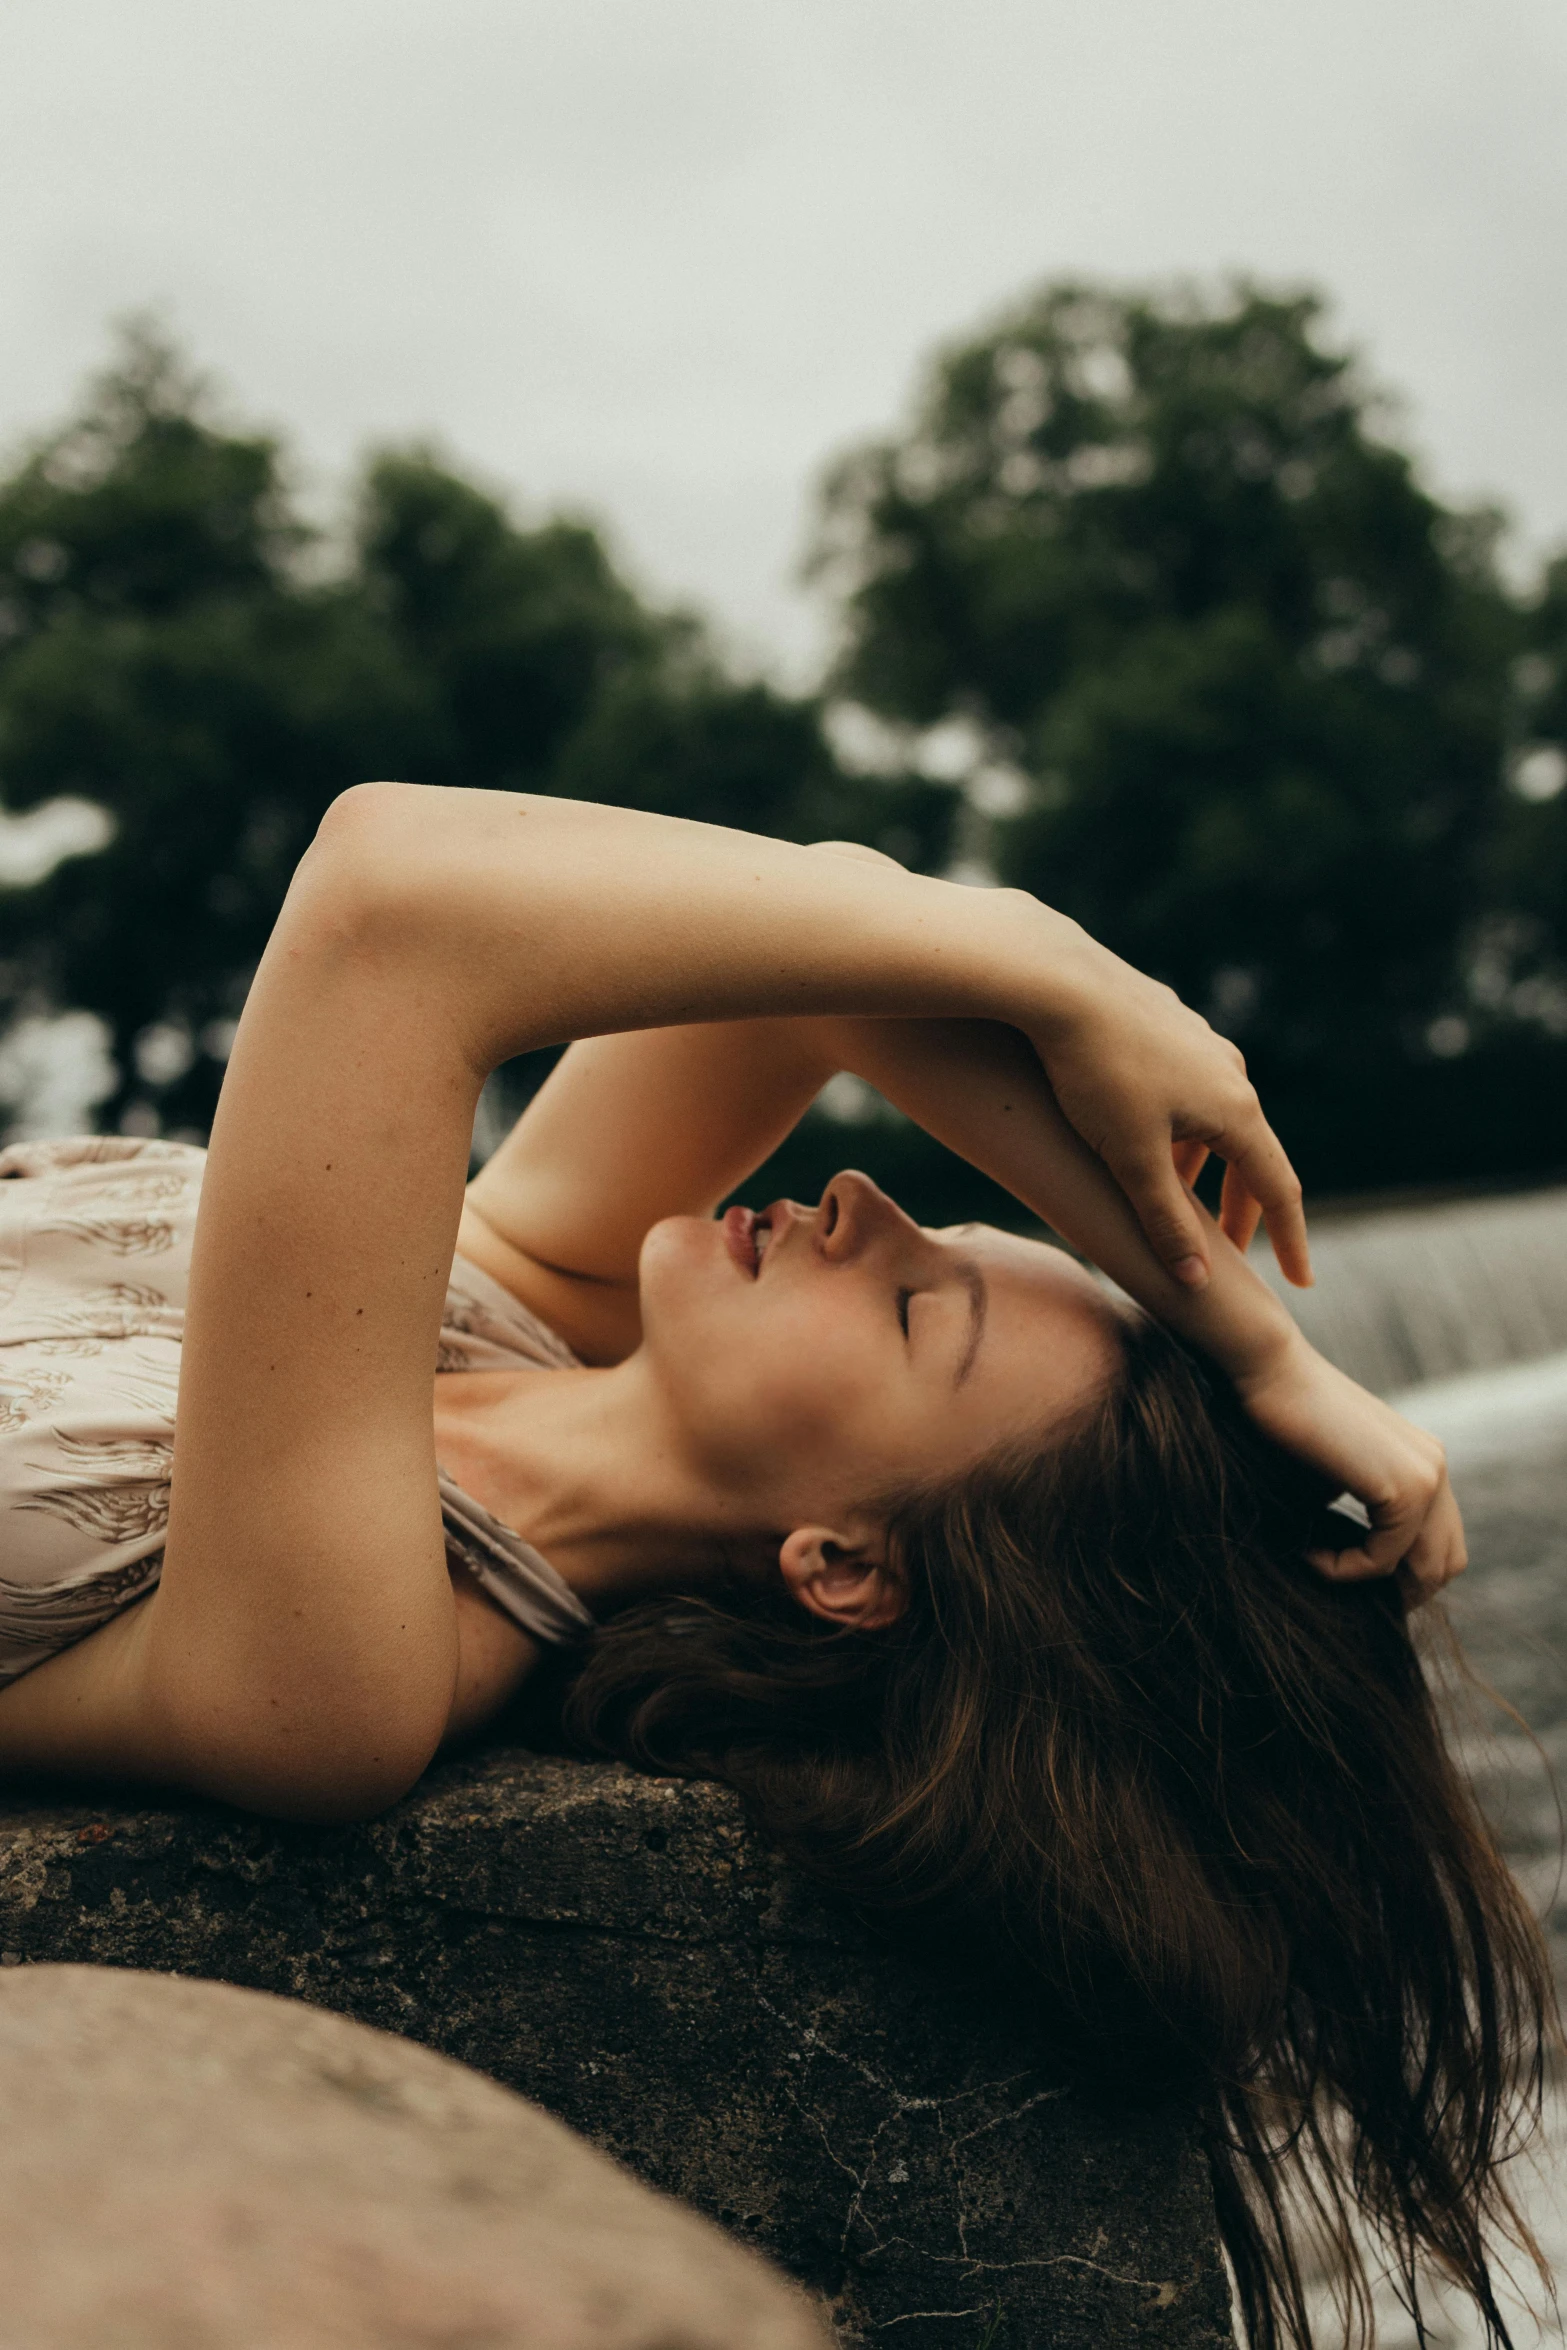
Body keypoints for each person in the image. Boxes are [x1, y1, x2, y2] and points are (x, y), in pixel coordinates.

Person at [0, 788, 1551, 2346]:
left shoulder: (342, 1670)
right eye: (936, 1229)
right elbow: (816, 955)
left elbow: (384, 898)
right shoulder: (519, 1285)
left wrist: (1050, 961)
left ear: (842, 1568)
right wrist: (1251, 1339)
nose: (863, 1201)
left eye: (910, 1309)